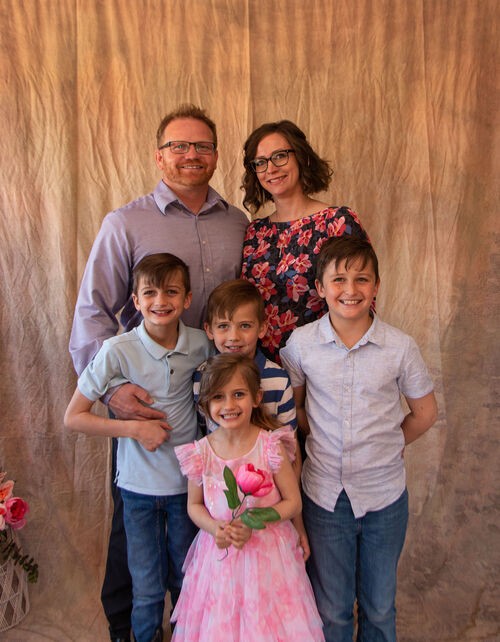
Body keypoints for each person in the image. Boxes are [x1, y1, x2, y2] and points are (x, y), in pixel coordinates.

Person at [68, 105, 248, 641]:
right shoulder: (125, 222)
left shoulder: (237, 223)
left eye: (202, 146)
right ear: (159, 155)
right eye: (178, 145)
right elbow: (93, 312)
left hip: (219, 405)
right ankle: (127, 629)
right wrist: (114, 391)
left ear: (215, 155)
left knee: (204, 516)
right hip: (147, 402)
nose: (191, 155)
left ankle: (201, 623)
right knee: (136, 528)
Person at [280, 237, 438, 642]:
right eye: (339, 280)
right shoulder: (301, 344)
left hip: (384, 497)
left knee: (379, 608)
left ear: (376, 286)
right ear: (320, 287)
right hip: (324, 497)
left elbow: (424, 414)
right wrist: (322, 438)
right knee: (331, 610)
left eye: (362, 279)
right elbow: (295, 410)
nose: (350, 290)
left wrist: (387, 443)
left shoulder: (400, 347)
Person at [64, 253, 213, 642]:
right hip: (138, 491)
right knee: (146, 588)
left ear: (187, 299)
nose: (160, 301)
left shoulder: (201, 344)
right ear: (135, 300)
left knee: (186, 578)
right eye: (150, 293)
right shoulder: (116, 350)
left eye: (171, 292)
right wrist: (133, 429)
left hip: (187, 489)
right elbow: (74, 417)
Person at [171, 354, 325, 641]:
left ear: (257, 398)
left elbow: (293, 502)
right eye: (218, 397)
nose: (229, 405)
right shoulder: (200, 453)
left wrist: (254, 522)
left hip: (270, 558)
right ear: (205, 405)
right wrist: (215, 527)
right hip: (219, 558)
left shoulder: (270, 446)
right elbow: (194, 505)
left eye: (238, 394)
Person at [193, 278, 309, 556]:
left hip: (270, 509)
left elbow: (291, 454)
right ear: (209, 330)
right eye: (223, 326)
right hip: (220, 513)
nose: (233, 337)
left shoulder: (277, 379)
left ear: (262, 328)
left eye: (244, 326)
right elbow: (206, 438)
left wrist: (299, 525)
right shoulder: (201, 378)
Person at [240, 119, 369, 364]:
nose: (271, 168)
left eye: (280, 156)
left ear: (301, 157)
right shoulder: (255, 232)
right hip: (264, 368)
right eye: (261, 162)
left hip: (324, 365)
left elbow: (361, 299)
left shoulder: (337, 222)